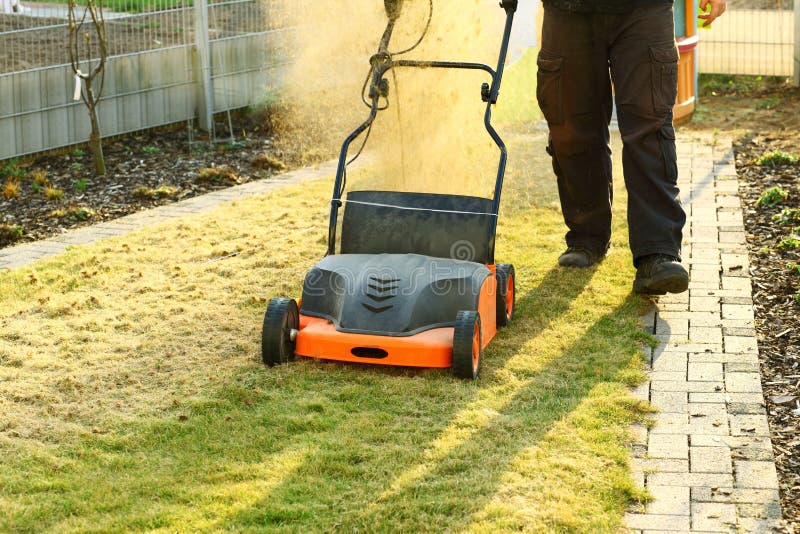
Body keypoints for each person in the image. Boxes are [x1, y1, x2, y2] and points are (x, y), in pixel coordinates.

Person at [536, 0, 726, 294]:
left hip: (644, 9)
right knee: (571, 127)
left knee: (650, 127)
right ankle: (586, 237)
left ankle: (657, 252)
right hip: (567, 10)